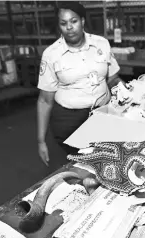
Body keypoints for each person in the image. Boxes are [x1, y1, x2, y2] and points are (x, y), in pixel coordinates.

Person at [37, 1, 125, 166]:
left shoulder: (101, 44)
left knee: (109, 159)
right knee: (86, 164)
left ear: (82, 21)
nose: (69, 27)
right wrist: (41, 140)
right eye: (63, 23)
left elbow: (113, 78)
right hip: (70, 121)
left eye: (74, 21)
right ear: (59, 26)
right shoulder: (51, 55)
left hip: (102, 113)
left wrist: (126, 91)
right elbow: (44, 100)